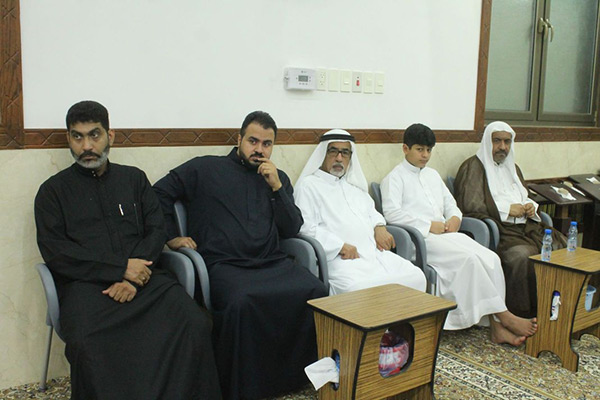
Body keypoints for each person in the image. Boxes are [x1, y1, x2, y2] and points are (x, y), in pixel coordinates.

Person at [34, 101, 221, 400]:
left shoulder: (134, 179)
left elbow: (156, 230)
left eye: (94, 135)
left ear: (110, 136)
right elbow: (56, 252)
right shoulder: (52, 191)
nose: (86, 146)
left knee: (194, 323)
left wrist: (134, 277)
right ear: (68, 139)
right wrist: (121, 269)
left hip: (147, 281)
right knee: (87, 343)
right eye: (77, 137)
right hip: (87, 288)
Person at [153, 111, 328, 400]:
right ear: (239, 139)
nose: (259, 149)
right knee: (242, 301)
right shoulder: (204, 168)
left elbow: (291, 228)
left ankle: (299, 378)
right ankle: (245, 387)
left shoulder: (277, 178)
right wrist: (171, 236)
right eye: (253, 141)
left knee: (315, 290)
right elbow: (158, 193)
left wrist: (277, 188)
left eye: (267, 144)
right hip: (224, 265)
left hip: (271, 262)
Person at [381, 123, 537, 345]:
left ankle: (496, 327)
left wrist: (455, 218)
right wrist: (428, 225)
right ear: (405, 149)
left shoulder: (433, 175)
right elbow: (391, 214)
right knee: (470, 259)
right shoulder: (394, 178)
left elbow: (451, 204)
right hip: (421, 240)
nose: (425, 155)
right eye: (419, 149)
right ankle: (503, 317)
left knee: (491, 258)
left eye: (428, 150)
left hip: (447, 235)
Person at [293, 129, 427, 296]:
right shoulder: (309, 186)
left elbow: (372, 212)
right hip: (341, 259)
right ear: (322, 154)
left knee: (416, 277)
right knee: (357, 289)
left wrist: (379, 226)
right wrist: (339, 246)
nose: (339, 158)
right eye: (333, 151)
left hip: (374, 254)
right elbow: (305, 227)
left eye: (345, 153)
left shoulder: (353, 185)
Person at [454, 121, 566, 318]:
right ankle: (520, 314)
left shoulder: (513, 168)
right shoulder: (473, 167)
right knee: (522, 256)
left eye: (507, 142)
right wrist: (506, 210)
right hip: (501, 231)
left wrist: (530, 207)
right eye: (497, 141)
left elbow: (525, 196)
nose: (503, 147)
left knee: (561, 245)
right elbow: (470, 206)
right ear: (487, 142)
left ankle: (557, 306)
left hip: (528, 228)